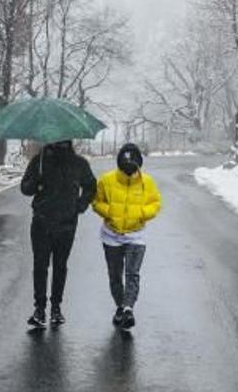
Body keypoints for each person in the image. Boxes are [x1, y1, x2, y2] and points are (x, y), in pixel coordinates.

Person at [19, 140, 97, 329]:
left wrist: (80, 206)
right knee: (41, 266)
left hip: (66, 223)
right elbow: (25, 189)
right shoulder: (39, 161)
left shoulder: (79, 163)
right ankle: (40, 309)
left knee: (60, 266)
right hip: (42, 221)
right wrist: (35, 181)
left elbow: (91, 186)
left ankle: (55, 308)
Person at [92, 143, 161, 330]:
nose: (129, 164)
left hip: (136, 236)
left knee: (132, 274)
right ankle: (120, 306)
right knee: (115, 276)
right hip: (111, 236)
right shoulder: (106, 180)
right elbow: (96, 201)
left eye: (133, 161)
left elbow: (155, 204)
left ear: (139, 162)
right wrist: (110, 211)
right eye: (125, 160)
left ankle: (128, 309)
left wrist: (141, 212)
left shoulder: (148, 182)